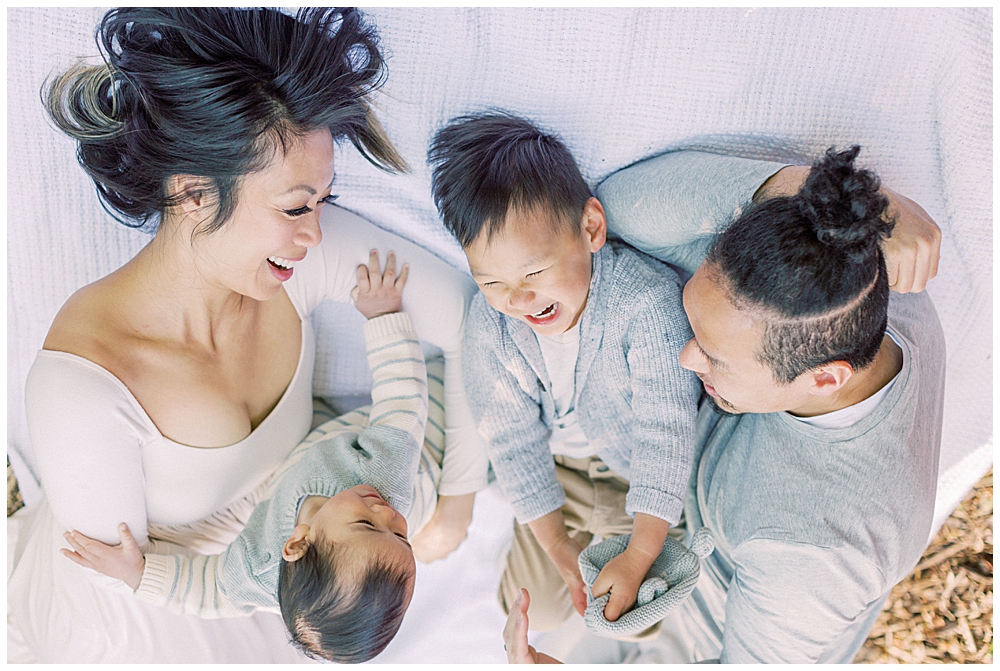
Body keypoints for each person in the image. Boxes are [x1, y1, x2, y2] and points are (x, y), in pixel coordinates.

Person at [9, 8, 483, 663]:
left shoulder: (292, 258)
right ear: (195, 193)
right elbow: (126, 579)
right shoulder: (86, 393)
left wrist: (457, 498)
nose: (316, 232)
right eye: (295, 206)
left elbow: (469, 317)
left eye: (322, 200)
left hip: (304, 560)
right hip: (149, 599)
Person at [500, 146, 944, 664]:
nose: (687, 358)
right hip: (664, 501)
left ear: (823, 378)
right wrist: (836, 202)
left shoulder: (810, 559)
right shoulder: (858, 278)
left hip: (700, 637)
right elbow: (610, 209)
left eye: (714, 357)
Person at [60, 254, 441, 662]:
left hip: (377, 447)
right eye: (402, 537)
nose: (388, 514)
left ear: (295, 542)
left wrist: (137, 574)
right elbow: (403, 399)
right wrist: (383, 315)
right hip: (422, 456)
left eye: (368, 524)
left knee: (432, 394)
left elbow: (203, 591)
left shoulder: (255, 572)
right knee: (433, 405)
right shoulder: (387, 481)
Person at [427, 112, 701, 635]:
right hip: (560, 476)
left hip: (638, 475)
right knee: (534, 611)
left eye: (533, 272)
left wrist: (643, 549)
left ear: (591, 228)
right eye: (491, 281)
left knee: (632, 615)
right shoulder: (493, 326)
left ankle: (632, 579)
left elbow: (667, 431)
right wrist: (556, 543)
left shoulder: (644, 305)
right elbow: (510, 439)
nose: (518, 299)